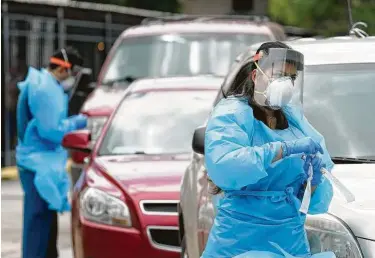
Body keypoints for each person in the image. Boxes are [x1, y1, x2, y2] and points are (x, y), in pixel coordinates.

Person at [202, 42, 336, 258]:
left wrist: (315, 180)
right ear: (256, 76)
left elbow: (314, 204)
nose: (286, 84)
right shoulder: (232, 114)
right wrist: (280, 150)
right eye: (280, 75)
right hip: (238, 243)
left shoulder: (295, 122)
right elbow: (225, 167)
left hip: (289, 243)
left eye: (291, 78)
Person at [16, 47, 88, 258]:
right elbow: (52, 131)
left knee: (44, 222)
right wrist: (79, 121)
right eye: (73, 73)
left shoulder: (40, 83)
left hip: (37, 162)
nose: (72, 79)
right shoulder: (46, 90)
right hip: (38, 164)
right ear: (64, 69)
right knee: (38, 222)